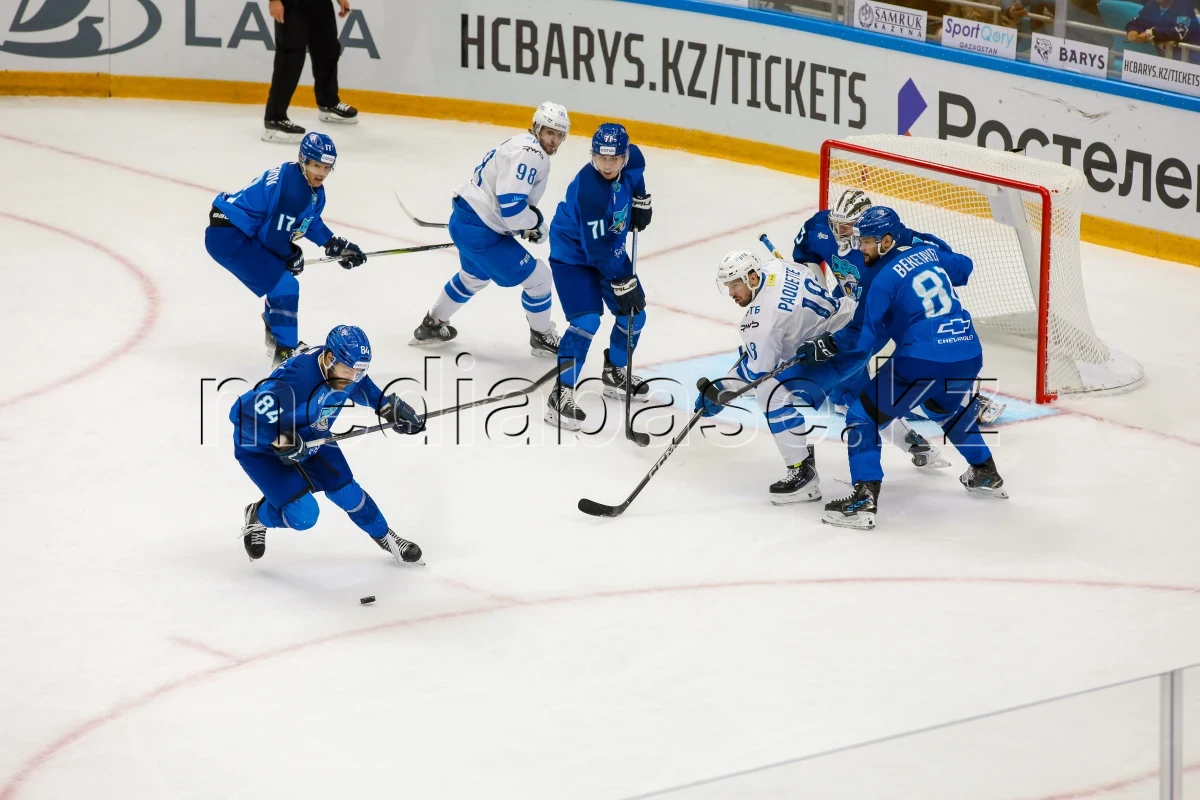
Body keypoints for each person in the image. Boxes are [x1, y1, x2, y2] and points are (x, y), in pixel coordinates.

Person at [798, 207, 1008, 530]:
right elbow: (964, 267)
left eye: (867, 242)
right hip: (968, 353)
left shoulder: (877, 280)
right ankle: (986, 471)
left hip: (922, 359)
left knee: (861, 415)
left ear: (885, 241)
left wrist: (826, 345)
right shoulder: (926, 252)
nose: (861, 248)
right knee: (944, 409)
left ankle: (864, 498)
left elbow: (862, 340)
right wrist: (920, 240)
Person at [696, 250, 944, 504]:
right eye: (727, 286)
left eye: (734, 285)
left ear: (751, 277)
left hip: (832, 351)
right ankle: (915, 443)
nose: (731, 294)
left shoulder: (760, 322)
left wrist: (719, 390)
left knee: (770, 394)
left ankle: (802, 474)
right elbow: (812, 277)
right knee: (857, 397)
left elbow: (759, 372)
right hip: (853, 329)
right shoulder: (777, 267)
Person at [793, 189, 1003, 429]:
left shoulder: (897, 239)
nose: (839, 233)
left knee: (911, 368)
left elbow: (945, 259)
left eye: (847, 227)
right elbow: (805, 251)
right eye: (836, 225)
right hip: (846, 305)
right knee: (836, 384)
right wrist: (817, 288)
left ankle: (962, 400)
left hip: (884, 315)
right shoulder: (819, 226)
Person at [231, 324, 426, 562]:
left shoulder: (346, 368)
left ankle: (385, 535)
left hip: (311, 436)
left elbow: (361, 385)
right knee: (304, 516)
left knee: (347, 491)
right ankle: (258, 516)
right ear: (330, 357)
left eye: (358, 372)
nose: (352, 378)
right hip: (261, 448)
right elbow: (241, 413)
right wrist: (279, 440)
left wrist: (387, 408)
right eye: (349, 371)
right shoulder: (293, 382)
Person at [411, 102, 571, 358]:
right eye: (550, 132)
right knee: (539, 278)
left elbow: (506, 203)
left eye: (559, 135)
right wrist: (534, 224)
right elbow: (512, 207)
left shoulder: (520, 142)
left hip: (466, 220)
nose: (554, 140)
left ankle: (432, 324)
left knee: (473, 278)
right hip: (482, 230)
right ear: (537, 128)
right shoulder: (532, 154)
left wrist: (526, 223)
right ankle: (541, 336)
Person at [206, 132, 366, 366]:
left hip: (235, 231)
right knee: (285, 284)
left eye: (326, 167)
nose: (321, 172)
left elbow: (305, 220)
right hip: (229, 236)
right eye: (316, 165)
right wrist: (291, 254)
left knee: (281, 280)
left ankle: (277, 337)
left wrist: (334, 244)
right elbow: (272, 237)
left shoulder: (301, 180)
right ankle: (285, 352)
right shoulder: (295, 190)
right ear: (303, 160)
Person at [544, 123, 653, 430]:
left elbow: (637, 174)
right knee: (586, 321)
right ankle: (560, 394)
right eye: (600, 158)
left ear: (625, 156)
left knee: (635, 317)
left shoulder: (634, 160)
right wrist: (621, 281)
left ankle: (615, 373)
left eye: (614, 159)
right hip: (573, 256)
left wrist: (641, 200)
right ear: (592, 156)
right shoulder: (590, 191)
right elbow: (596, 251)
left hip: (610, 248)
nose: (607, 165)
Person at [263, 0, 360, 143]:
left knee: (328, 50)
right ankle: (274, 118)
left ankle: (328, 102)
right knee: (290, 59)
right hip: (291, 5)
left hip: (320, 3)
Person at [1126, 0, 1200, 62]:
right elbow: (1137, 22)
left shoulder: (1184, 7)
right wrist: (1133, 30)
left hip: (1191, 59)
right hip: (1165, 59)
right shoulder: (1152, 5)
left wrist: (1152, 33)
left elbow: (1180, 33)